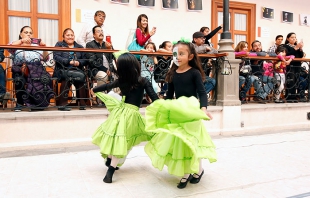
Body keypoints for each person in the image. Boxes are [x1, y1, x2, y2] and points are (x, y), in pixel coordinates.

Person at [144, 40, 217, 189]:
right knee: (181, 142)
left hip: (191, 110)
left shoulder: (194, 73)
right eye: (175, 54)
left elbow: (202, 93)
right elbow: (170, 95)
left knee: (192, 143)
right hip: (179, 110)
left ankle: (198, 171)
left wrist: (203, 109)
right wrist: (163, 106)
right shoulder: (173, 73)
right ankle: (186, 172)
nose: (177, 57)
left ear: (190, 57)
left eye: (181, 54)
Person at [91, 53, 159, 183]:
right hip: (132, 114)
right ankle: (110, 170)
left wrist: (94, 90)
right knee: (121, 140)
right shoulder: (143, 81)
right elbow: (154, 98)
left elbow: (106, 86)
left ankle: (110, 163)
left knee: (116, 137)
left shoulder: (121, 81)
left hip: (120, 112)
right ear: (135, 65)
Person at [9, 26, 51, 111]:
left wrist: (44, 47)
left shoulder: (36, 46)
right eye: (26, 32)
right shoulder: (17, 44)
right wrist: (21, 41)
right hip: (21, 69)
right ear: (21, 34)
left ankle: (37, 102)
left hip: (35, 69)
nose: (28, 34)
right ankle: (19, 103)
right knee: (19, 79)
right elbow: (8, 47)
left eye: (30, 33)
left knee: (44, 78)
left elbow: (46, 58)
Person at [53, 28, 88, 111]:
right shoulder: (59, 44)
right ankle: (62, 104)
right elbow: (56, 57)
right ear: (63, 37)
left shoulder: (79, 47)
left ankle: (82, 103)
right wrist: (69, 62)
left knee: (80, 78)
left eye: (72, 35)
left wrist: (79, 63)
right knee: (67, 78)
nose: (70, 37)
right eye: (68, 35)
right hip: (62, 70)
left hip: (77, 70)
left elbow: (85, 60)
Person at [192, 31, 217, 96]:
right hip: (190, 72)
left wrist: (205, 49)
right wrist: (205, 49)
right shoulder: (190, 45)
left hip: (201, 73)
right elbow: (193, 50)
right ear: (195, 39)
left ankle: (198, 96)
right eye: (201, 38)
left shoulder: (206, 45)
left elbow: (215, 51)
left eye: (204, 38)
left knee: (212, 81)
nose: (204, 39)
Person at [283, 32, 305, 102]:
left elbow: (301, 56)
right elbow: (287, 54)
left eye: (295, 37)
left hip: (297, 65)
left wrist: (300, 48)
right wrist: (296, 48)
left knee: (296, 81)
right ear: (288, 38)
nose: (294, 39)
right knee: (290, 81)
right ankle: (289, 97)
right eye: (292, 37)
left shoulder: (297, 46)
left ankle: (295, 96)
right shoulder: (285, 46)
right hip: (290, 65)